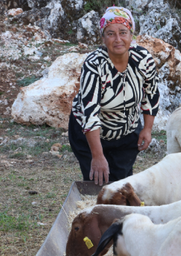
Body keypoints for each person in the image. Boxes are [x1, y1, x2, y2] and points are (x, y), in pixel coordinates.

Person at [68, 6, 160, 185]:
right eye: (110, 34)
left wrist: (147, 129)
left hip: (127, 132)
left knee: (121, 184)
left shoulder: (143, 60)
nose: (118, 39)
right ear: (103, 38)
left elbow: (151, 95)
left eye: (123, 32)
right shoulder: (94, 65)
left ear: (131, 35)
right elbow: (90, 112)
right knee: (97, 183)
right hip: (90, 134)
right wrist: (97, 155)